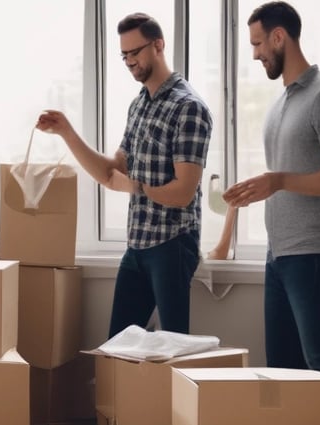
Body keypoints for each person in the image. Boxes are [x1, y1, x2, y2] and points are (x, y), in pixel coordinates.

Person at [223, 1, 320, 424]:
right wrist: (258, 187)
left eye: (258, 42)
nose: (254, 53)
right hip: (279, 252)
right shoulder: (281, 103)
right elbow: (290, 173)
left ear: (280, 37)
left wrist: (279, 180)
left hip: (314, 252)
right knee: (282, 363)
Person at [37, 12, 212, 338]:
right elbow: (111, 172)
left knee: (175, 348)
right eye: (124, 55)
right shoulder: (139, 105)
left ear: (158, 45)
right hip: (138, 245)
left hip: (172, 245)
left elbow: (184, 191)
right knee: (118, 347)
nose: (130, 61)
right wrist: (67, 132)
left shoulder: (189, 107)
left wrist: (135, 187)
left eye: (136, 52)